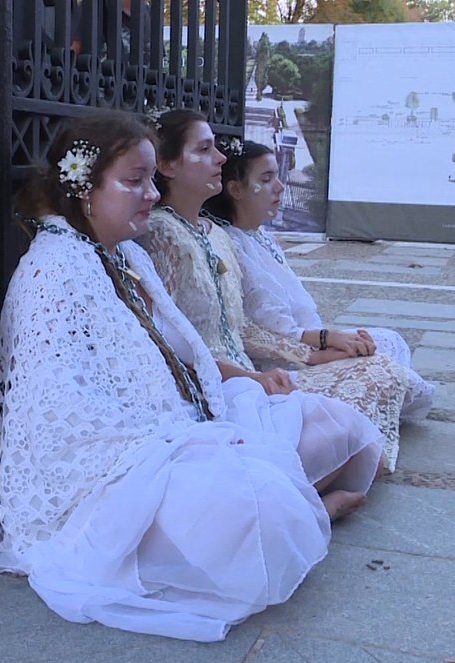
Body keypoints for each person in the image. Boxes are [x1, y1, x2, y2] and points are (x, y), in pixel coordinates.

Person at [0, 111, 382, 642]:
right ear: (83, 189)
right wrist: (178, 442)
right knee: (253, 507)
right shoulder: (52, 271)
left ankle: (288, 504)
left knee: (340, 429)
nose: (149, 194)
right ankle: (309, 512)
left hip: (175, 429)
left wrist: (224, 403)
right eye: (133, 181)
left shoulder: (125, 255)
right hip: (107, 472)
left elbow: (180, 352)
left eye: (149, 179)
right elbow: (58, 417)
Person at [140, 110, 413, 471]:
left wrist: (314, 355)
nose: (220, 158)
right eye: (205, 150)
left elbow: (243, 327)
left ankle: (330, 468)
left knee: (380, 368)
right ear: (168, 165)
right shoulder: (160, 235)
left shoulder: (215, 234)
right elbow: (168, 341)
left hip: (252, 373)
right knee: (367, 394)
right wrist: (254, 377)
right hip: (215, 387)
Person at [207, 139, 435, 422]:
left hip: (307, 341)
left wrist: (333, 339)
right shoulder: (229, 243)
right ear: (236, 189)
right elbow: (261, 329)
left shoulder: (261, 237)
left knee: (390, 342)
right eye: (266, 179)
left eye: (278, 176)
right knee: (389, 373)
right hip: (279, 359)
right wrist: (326, 342)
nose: (279, 187)